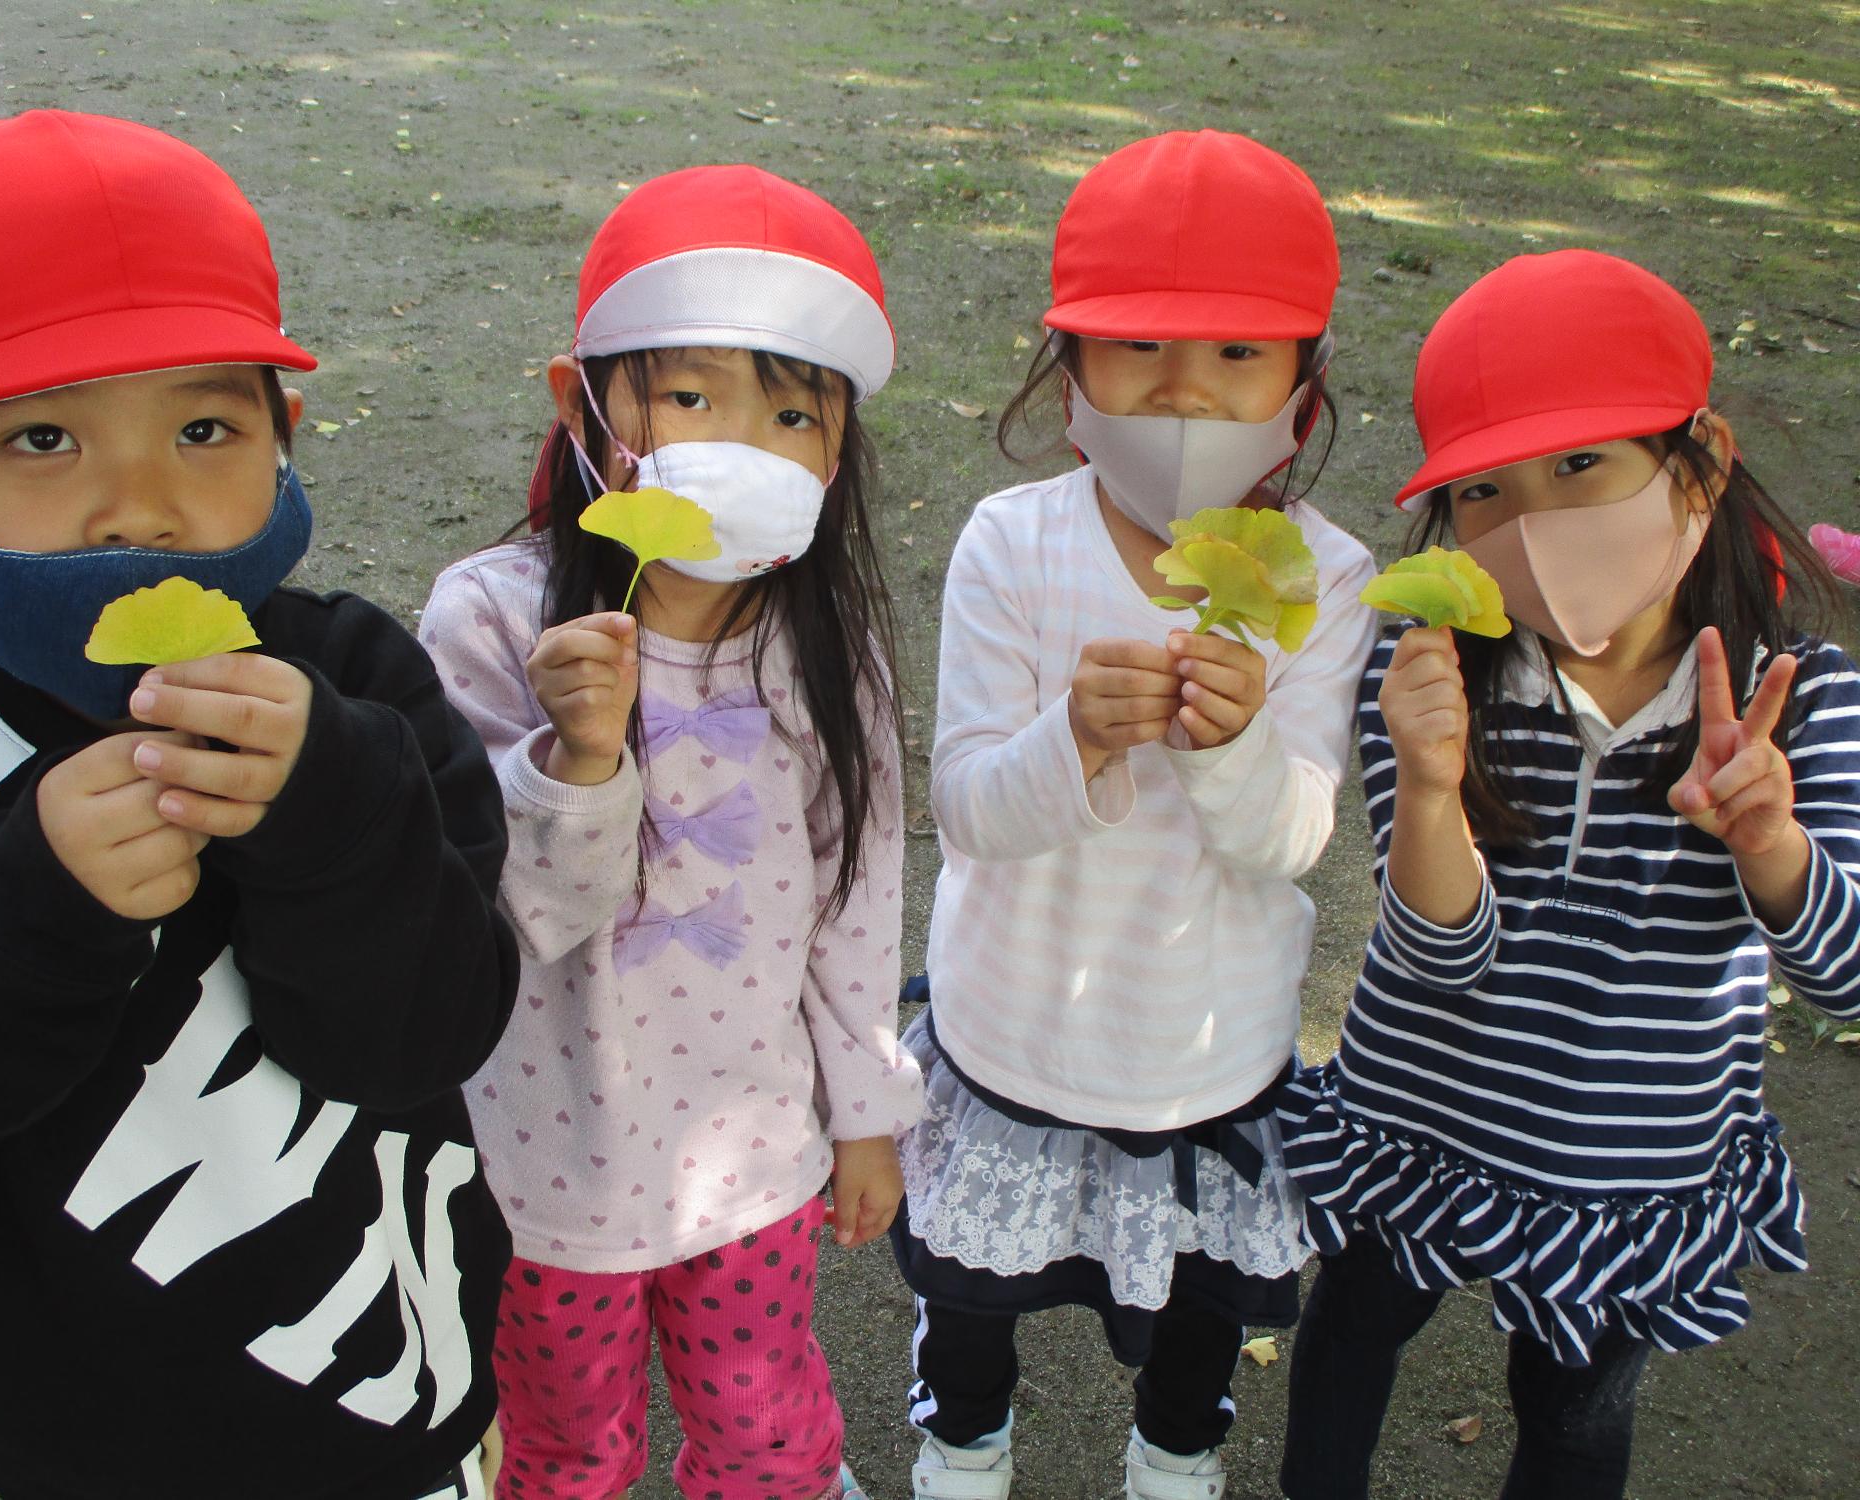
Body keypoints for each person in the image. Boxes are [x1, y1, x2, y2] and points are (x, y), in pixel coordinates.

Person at [0, 111, 519, 1499]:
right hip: (57, 1451)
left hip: (392, 1413)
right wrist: (24, 903)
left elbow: (438, 1026)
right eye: (42, 436)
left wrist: (333, 811)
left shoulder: (349, 680)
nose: (140, 509)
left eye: (204, 426)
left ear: (285, 435)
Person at [1277, 249, 1860, 1500]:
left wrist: (1771, 842)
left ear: (1698, 457)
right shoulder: (1428, 663)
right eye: (1483, 491)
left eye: (1581, 464)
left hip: (1626, 1164)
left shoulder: (1799, 704)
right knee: (1348, 1344)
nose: (1532, 523)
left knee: (1574, 1412)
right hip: (1416, 1117)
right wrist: (1430, 788)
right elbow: (1440, 950)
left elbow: (1845, 973)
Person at [420, 163, 923, 1500]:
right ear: (576, 403)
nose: (742, 442)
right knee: (569, 1453)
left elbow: (857, 887)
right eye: (688, 394)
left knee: (764, 1436)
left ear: (839, 442)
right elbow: (502, 913)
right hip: (545, 1159)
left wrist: (865, 1110)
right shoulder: (487, 624)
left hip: (748, 1157)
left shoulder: (830, 643)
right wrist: (581, 758)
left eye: (793, 409)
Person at [894, 130, 1378, 1500]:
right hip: (1011, 1029)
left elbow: (1293, 843)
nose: (1182, 391)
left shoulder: (1325, 580)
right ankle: (962, 1448)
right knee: (975, 1304)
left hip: (1205, 1051)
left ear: (1304, 382)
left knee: (1197, 1326)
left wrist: (1229, 751)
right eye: (1137, 349)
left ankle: (1175, 1464)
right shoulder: (1012, 544)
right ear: (1069, 375)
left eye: (1238, 356)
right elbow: (970, 813)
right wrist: (1077, 735)